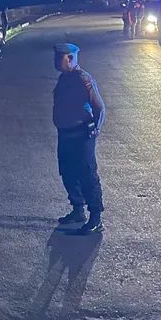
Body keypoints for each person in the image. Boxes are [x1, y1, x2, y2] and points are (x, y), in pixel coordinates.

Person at [52, 43, 106, 235]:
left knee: (87, 175)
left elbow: (99, 108)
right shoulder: (63, 78)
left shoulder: (84, 79)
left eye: (59, 57)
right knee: (68, 173)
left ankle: (96, 218)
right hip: (65, 134)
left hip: (81, 135)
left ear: (70, 58)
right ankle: (77, 210)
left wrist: (95, 129)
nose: (55, 61)